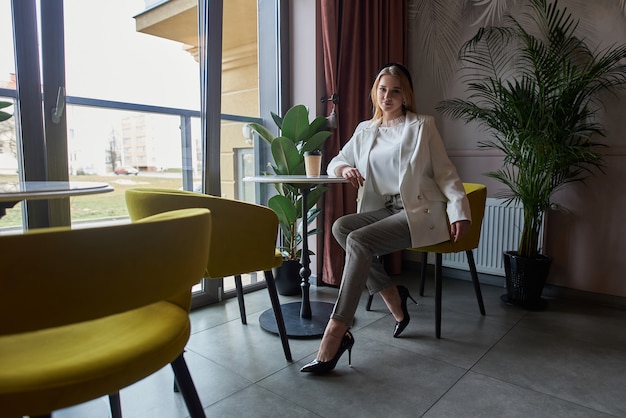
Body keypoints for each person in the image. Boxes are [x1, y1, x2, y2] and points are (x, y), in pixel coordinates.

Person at [300, 63, 472, 374]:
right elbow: (336, 160)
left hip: (418, 211)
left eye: (395, 90)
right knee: (341, 227)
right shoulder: (365, 130)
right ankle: (393, 295)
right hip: (384, 208)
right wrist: (344, 169)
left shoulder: (422, 126)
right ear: (374, 93)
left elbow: (446, 174)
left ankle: (335, 333)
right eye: (382, 89)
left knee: (358, 239)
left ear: (405, 95)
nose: (387, 96)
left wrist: (459, 211)